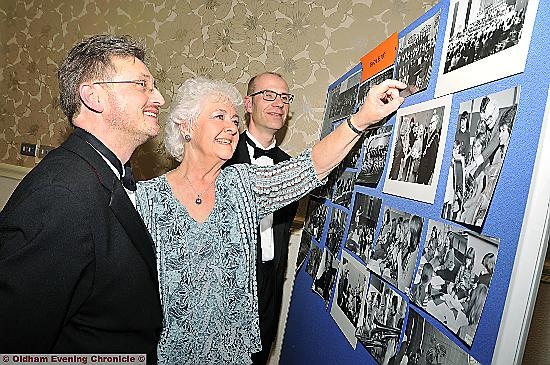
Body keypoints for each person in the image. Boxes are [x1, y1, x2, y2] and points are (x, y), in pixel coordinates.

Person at [135, 76, 405, 364]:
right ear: (186, 126)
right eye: (219, 116)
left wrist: (362, 119)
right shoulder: (145, 200)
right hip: (169, 354)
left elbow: (309, 167)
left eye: (235, 120)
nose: (231, 127)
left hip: (233, 354)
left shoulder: (243, 184)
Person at [0, 34, 165, 360]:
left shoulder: (102, 175)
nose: (158, 97)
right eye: (142, 85)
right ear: (93, 96)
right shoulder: (61, 197)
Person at [222, 72, 298, 364]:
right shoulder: (222, 155)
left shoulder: (292, 167)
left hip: (271, 282)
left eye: (284, 97)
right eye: (268, 95)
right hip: (228, 282)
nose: (278, 103)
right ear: (248, 104)